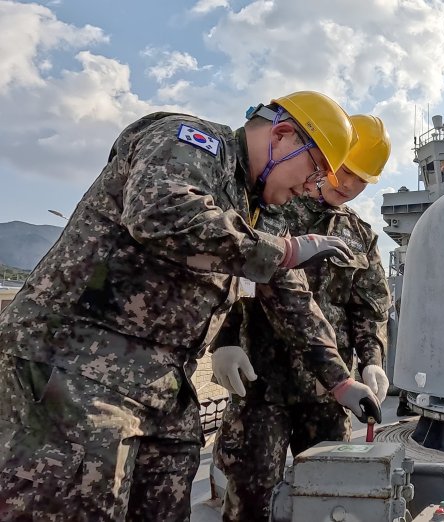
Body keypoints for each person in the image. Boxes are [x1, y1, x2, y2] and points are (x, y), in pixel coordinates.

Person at [0, 91, 379, 521]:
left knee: (166, 502)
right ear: (283, 135)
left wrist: (339, 382)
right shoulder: (189, 142)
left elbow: (291, 296)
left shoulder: (259, 209)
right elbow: (161, 212)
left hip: (163, 384)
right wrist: (286, 250)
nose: (311, 189)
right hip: (75, 364)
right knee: (71, 504)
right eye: (314, 172)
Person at [211, 114, 392, 522]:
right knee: (251, 500)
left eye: (361, 180)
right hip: (261, 385)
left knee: (332, 500)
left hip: (329, 393)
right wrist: (225, 341)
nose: (348, 186)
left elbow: (370, 307)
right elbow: (228, 275)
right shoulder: (268, 204)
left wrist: (373, 359)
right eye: (345, 172)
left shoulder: (359, 235)